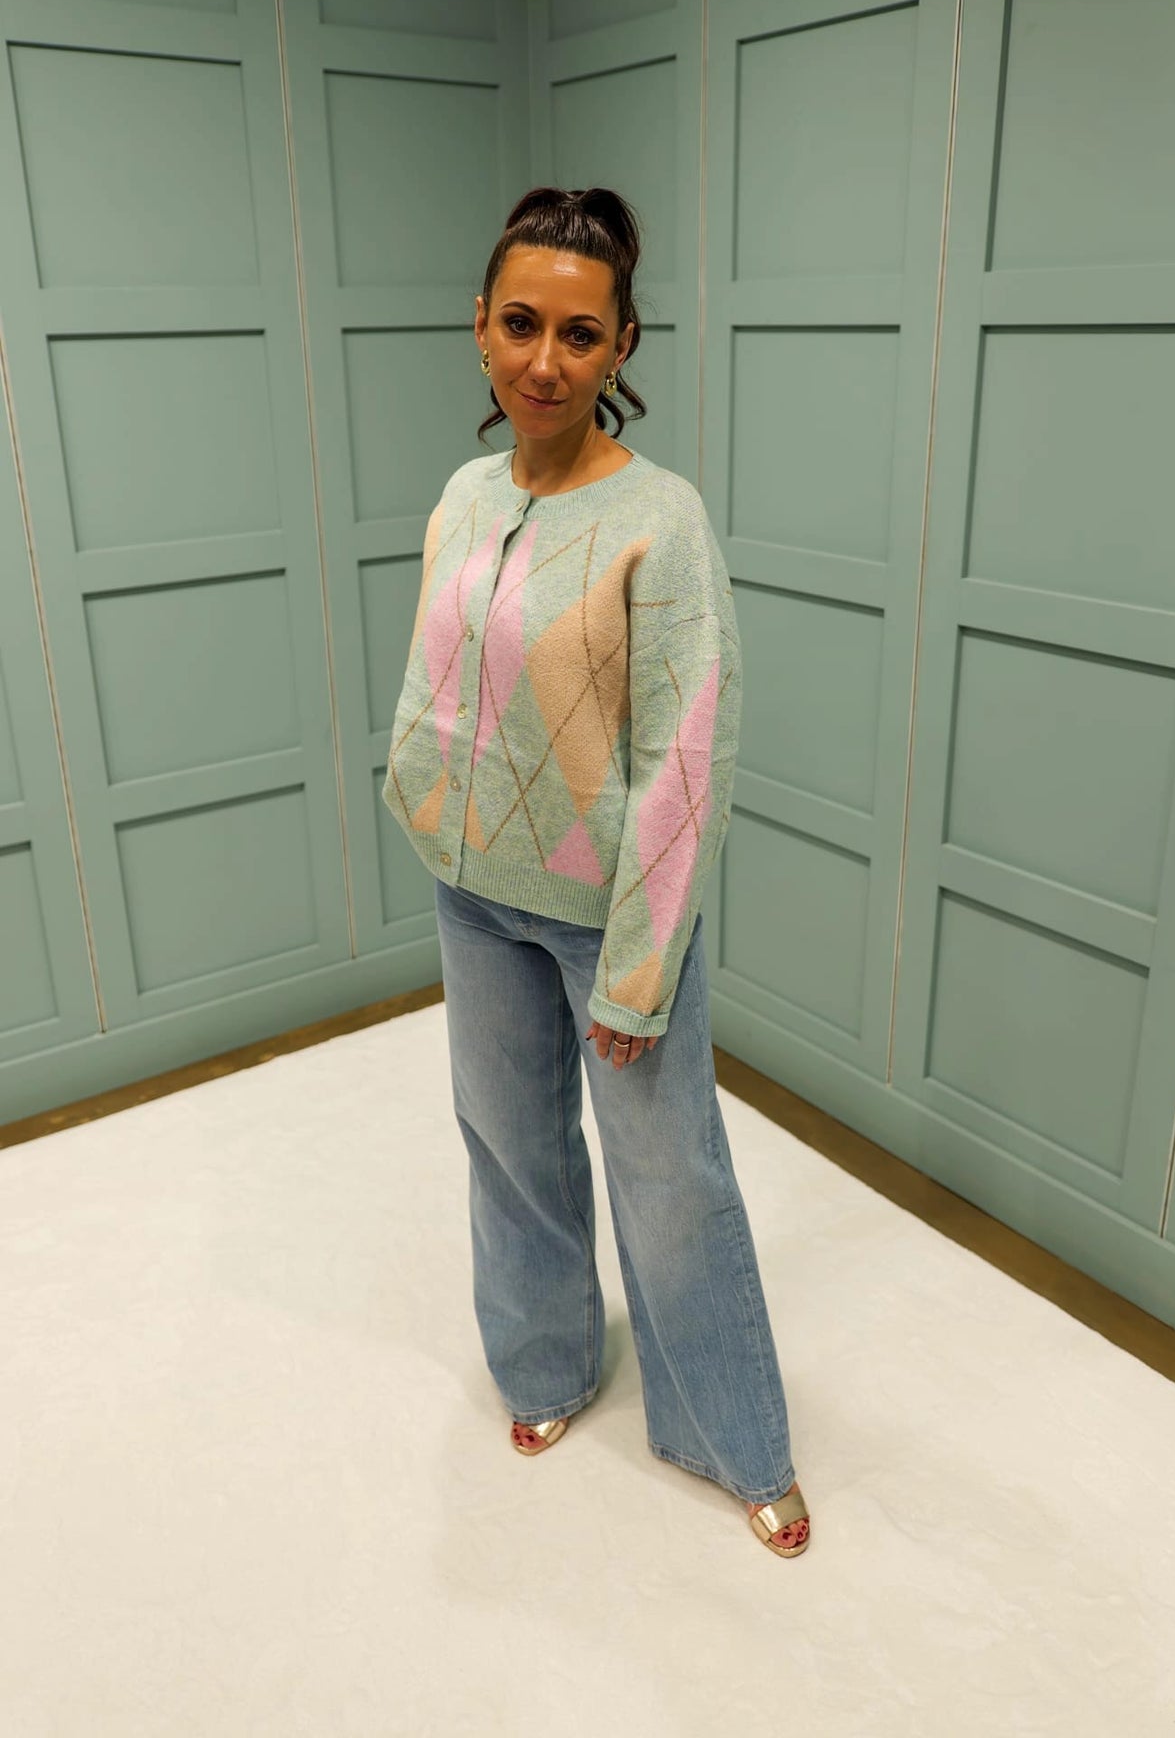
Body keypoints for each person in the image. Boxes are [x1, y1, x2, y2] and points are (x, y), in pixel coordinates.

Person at [382, 186, 810, 1558]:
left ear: (623, 345)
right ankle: (545, 1365)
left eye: (580, 333)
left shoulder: (661, 521)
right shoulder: (465, 494)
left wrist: (637, 969)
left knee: (671, 1180)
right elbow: (445, 672)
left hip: (603, 918)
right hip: (472, 895)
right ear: (480, 327)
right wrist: (417, 790)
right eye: (522, 324)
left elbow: (690, 753)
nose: (546, 360)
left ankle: (733, 1436)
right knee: (508, 1146)